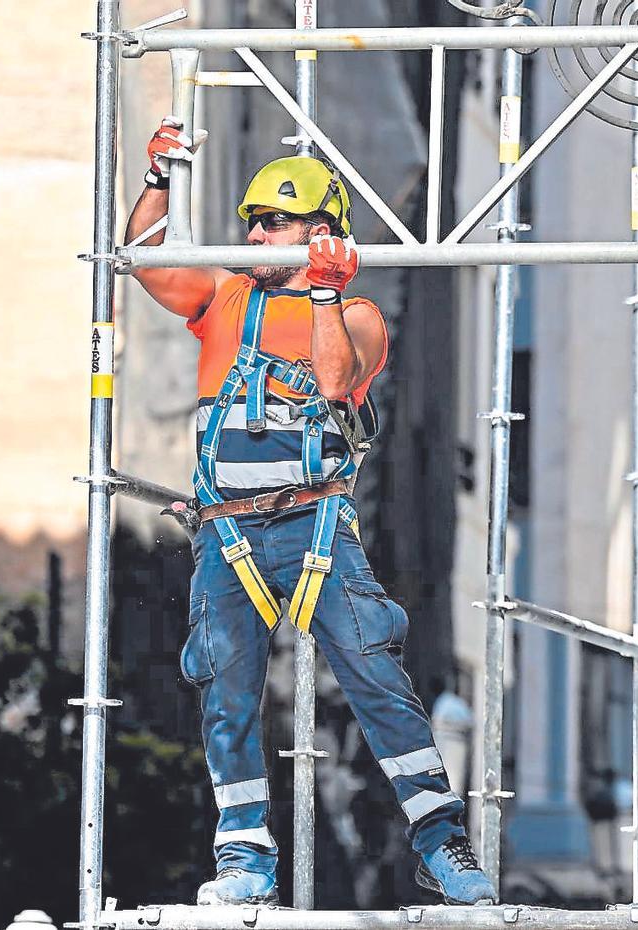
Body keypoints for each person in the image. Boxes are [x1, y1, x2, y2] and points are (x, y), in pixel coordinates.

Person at [126, 117, 497, 907]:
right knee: (226, 687)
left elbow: (334, 383)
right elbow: (147, 262)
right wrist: (158, 179)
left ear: (320, 231)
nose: (257, 232)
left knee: (377, 680)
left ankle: (441, 843)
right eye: (254, 221)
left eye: (275, 221)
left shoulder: (357, 314)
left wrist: (325, 293)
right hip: (228, 532)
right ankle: (244, 858)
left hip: (314, 528)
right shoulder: (225, 297)